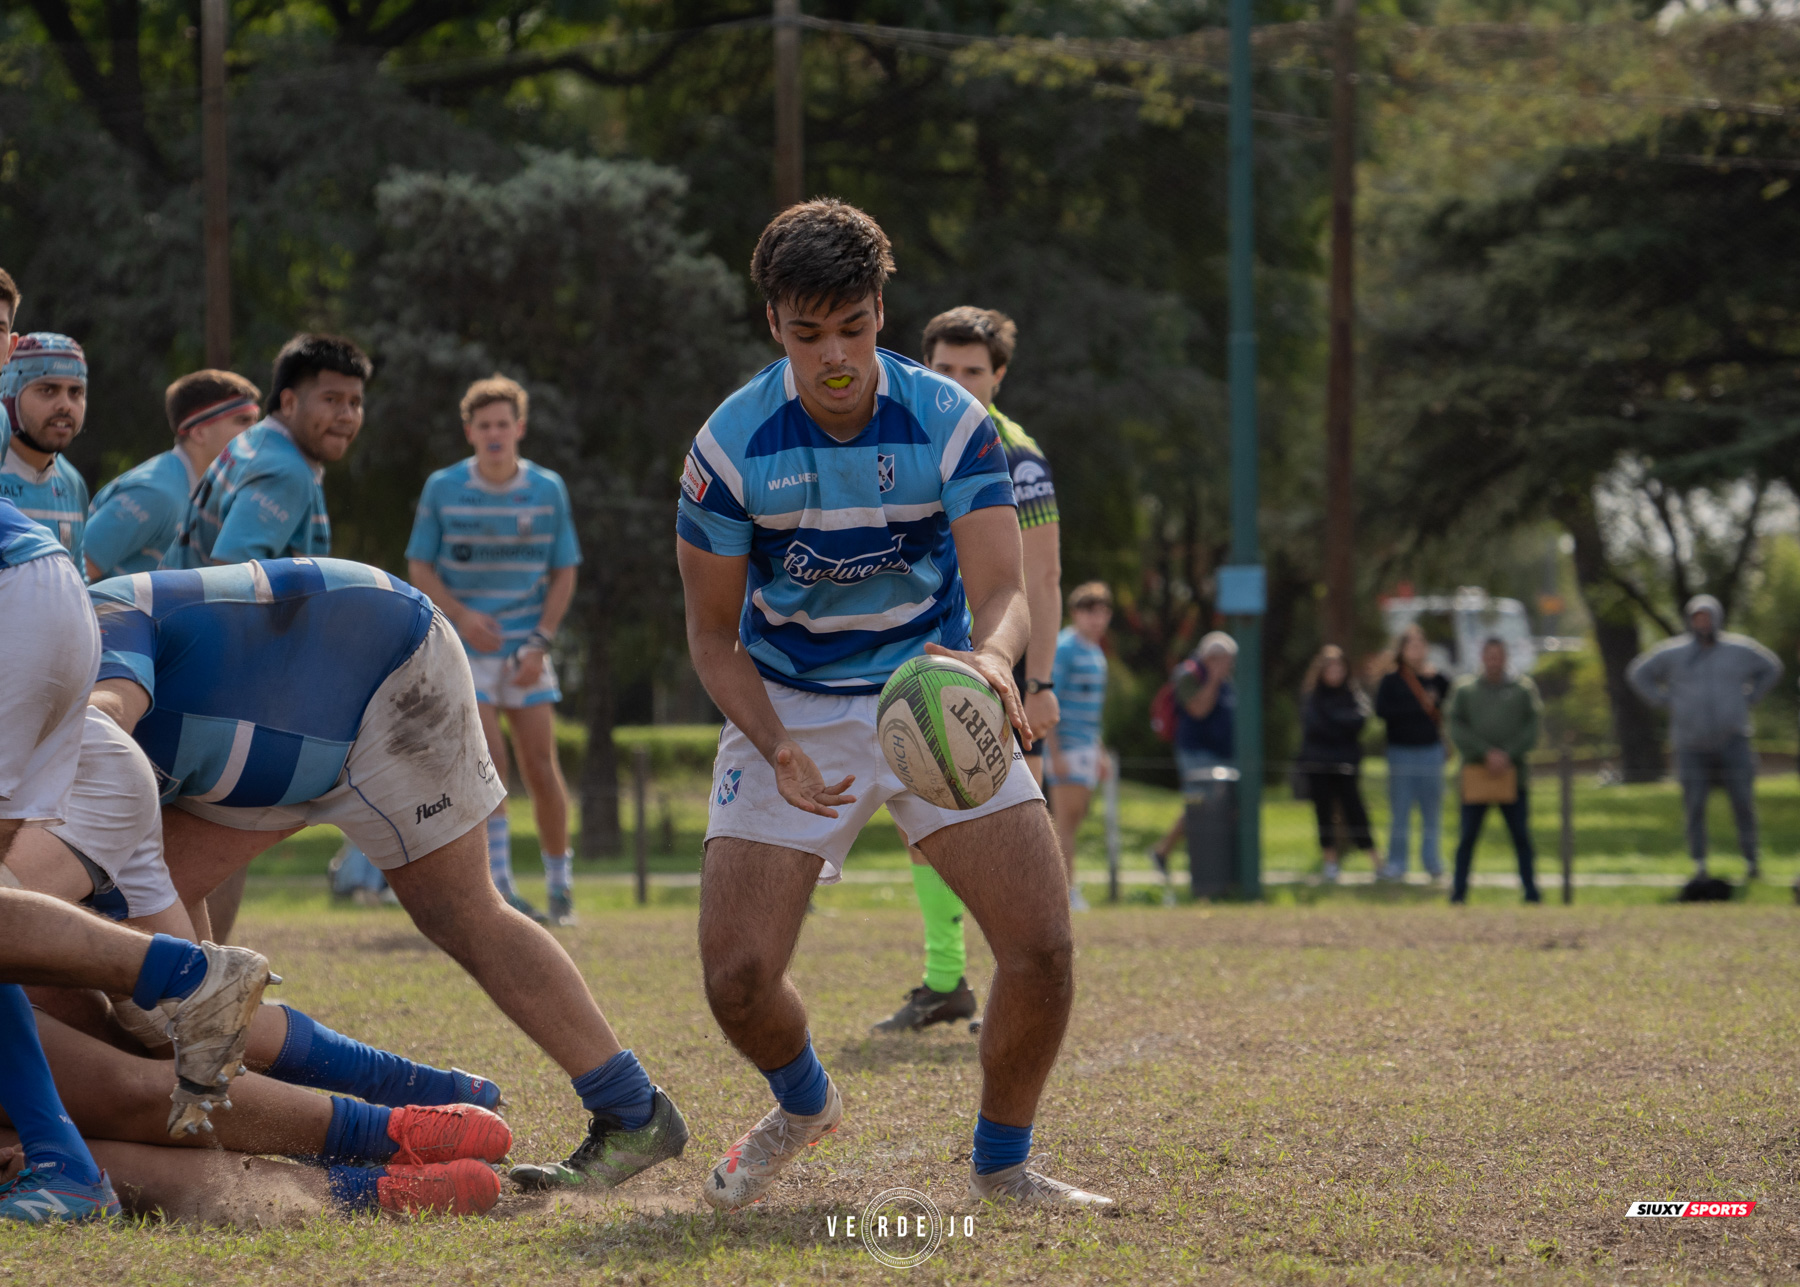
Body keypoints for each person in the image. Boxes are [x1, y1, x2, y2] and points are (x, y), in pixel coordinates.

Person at [677, 198, 1108, 1209]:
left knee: (1041, 948)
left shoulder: (951, 422)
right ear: (773, 323)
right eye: (807, 332)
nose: (835, 356)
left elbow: (1002, 591)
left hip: (936, 690)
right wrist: (774, 741)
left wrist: (995, 665)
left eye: (855, 328)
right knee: (736, 979)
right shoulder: (730, 448)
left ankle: (1003, 1165)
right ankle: (804, 1103)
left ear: (881, 308)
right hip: (790, 700)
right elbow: (709, 636)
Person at [85, 558, 687, 1191]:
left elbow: (104, 716)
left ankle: (633, 1110)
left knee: (462, 913)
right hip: (277, 728)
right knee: (146, 950)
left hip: (384, 664)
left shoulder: (87, 622)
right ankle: (427, 1100)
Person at [871, 306, 1063, 1032]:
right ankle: (946, 979)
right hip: (919, 661)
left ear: (999, 377)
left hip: (992, 669)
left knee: (1008, 831)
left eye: (973, 371)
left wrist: (1036, 682)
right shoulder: (900, 436)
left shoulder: (1019, 457)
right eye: (943, 369)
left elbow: (1039, 580)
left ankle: (1015, 979)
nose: (956, 382)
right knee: (920, 823)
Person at [406, 375, 582, 926]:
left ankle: (560, 886)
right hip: (465, 648)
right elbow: (419, 566)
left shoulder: (548, 488)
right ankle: (502, 889)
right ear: (470, 433)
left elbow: (564, 571)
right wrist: (461, 615)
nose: (495, 433)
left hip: (527, 650)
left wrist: (540, 640)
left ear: (519, 428)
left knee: (540, 767)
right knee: (490, 765)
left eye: (503, 423)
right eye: (484, 425)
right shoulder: (443, 487)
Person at [167, 333, 369, 568]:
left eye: (355, 403)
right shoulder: (285, 471)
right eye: (331, 399)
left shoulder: (257, 440)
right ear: (289, 403)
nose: (347, 416)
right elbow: (232, 578)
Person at [1627, 594, 1781, 881]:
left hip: (1734, 739)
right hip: (1690, 744)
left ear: (1717, 618)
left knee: (1743, 803)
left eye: (1707, 616)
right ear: (1690, 620)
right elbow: (1638, 672)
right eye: (1697, 617)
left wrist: (1753, 695)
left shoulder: (1739, 650)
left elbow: (1772, 666)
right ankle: (1699, 865)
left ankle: (1751, 861)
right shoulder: (1673, 653)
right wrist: (1660, 699)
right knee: (1694, 805)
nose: (1703, 623)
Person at [84, 370, 262, 581]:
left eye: (256, 421)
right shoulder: (156, 494)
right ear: (198, 432)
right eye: (243, 421)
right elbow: (72, 574)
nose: (257, 432)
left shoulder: (202, 492)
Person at [1447, 637, 1543, 904]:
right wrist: (1484, 753)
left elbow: (1532, 728)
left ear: (1505, 657)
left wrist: (1507, 754)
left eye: (1498, 655)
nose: (1493, 660)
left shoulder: (1523, 690)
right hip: (1475, 774)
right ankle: (1458, 893)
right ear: (1482, 657)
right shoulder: (1465, 691)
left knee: (1521, 837)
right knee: (1467, 837)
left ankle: (1531, 892)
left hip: (1514, 776)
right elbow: (1455, 727)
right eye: (1489, 655)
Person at [1147, 632, 1238, 882]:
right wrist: (1214, 681)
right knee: (1199, 804)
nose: (1230, 665)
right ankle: (1164, 852)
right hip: (1195, 752)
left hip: (1222, 753)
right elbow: (1198, 710)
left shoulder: (1226, 680)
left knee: (1215, 807)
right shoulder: (1189, 675)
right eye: (1227, 660)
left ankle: (1216, 866)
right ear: (1212, 658)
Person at [1046, 582, 1112, 910]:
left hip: (1087, 747)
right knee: (1065, 824)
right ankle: (1065, 892)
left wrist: (1099, 751)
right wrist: (1054, 752)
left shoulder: (1097, 652)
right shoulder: (1066, 647)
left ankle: (1066, 886)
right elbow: (1049, 700)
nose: (1097, 619)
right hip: (1067, 747)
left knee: (1075, 820)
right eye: (1090, 611)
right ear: (1076, 613)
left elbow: (1093, 710)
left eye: (1102, 612)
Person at [0, 333, 90, 564]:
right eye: (47, 390)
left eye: (75, 392)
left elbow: (77, 580)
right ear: (8, 395)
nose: (65, 406)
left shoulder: (73, 484)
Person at [1374, 624, 1450, 881]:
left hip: (1431, 751)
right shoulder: (1392, 680)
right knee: (1401, 809)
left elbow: (1449, 705)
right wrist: (1415, 706)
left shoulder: (1438, 679)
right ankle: (1397, 863)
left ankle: (1432, 861)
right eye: (1410, 645)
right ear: (1402, 650)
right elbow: (1382, 711)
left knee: (1432, 809)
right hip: (1401, 752)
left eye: (1420, 645)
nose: (1416, 650)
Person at [1298, 644, 1377, 882]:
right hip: (1319, 763)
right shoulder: (1312, 696)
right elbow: (1315, 726)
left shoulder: (1353, 693)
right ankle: (1330, 862)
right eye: (1330, 667)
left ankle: (1377, 862)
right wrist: (1341, 724)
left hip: (1346, 763)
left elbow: (1360, 720)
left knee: (1355, 810)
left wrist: (1333, 721)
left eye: (1339, 667)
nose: (1335, 672)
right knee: (1323, 812)